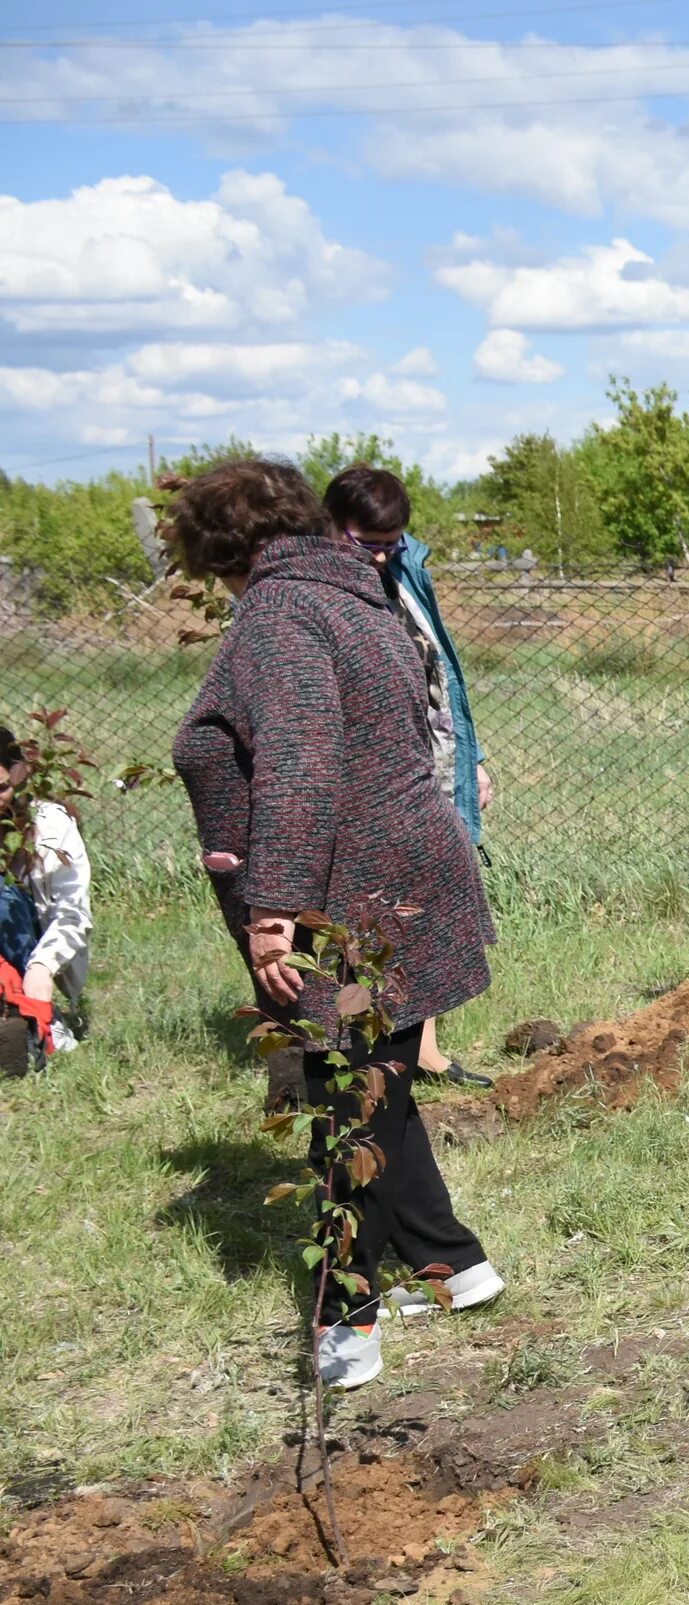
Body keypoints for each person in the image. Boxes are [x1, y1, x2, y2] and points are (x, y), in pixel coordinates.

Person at [167, 457, 506, 1390]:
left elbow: (301, 767)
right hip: (396, 870)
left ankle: (344, 1320)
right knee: (380, 1081)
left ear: (218, 549)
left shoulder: (280, 617)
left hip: (347, 891)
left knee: (347, 1101)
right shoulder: (354, 594)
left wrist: (273, 912)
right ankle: (452, 1261)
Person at [322, 463, 496, 1090]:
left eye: (391, 544)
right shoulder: (316, 598)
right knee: (370, 915)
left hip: (426, 759)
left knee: (424, 903)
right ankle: (349, 1049)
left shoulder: (405, 572)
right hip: (367, 778)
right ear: (332, 529)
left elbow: (439, 674)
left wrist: (470, 757)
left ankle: (421, 1048)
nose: (380, 558)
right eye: (367, 544)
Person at [0, 725, 91, 1075]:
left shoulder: (50, 824)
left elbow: (73, 913)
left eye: (2, 787)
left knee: (6, 899)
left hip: (28, 944)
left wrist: (41, 969)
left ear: (20, 778)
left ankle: (38, 1021)